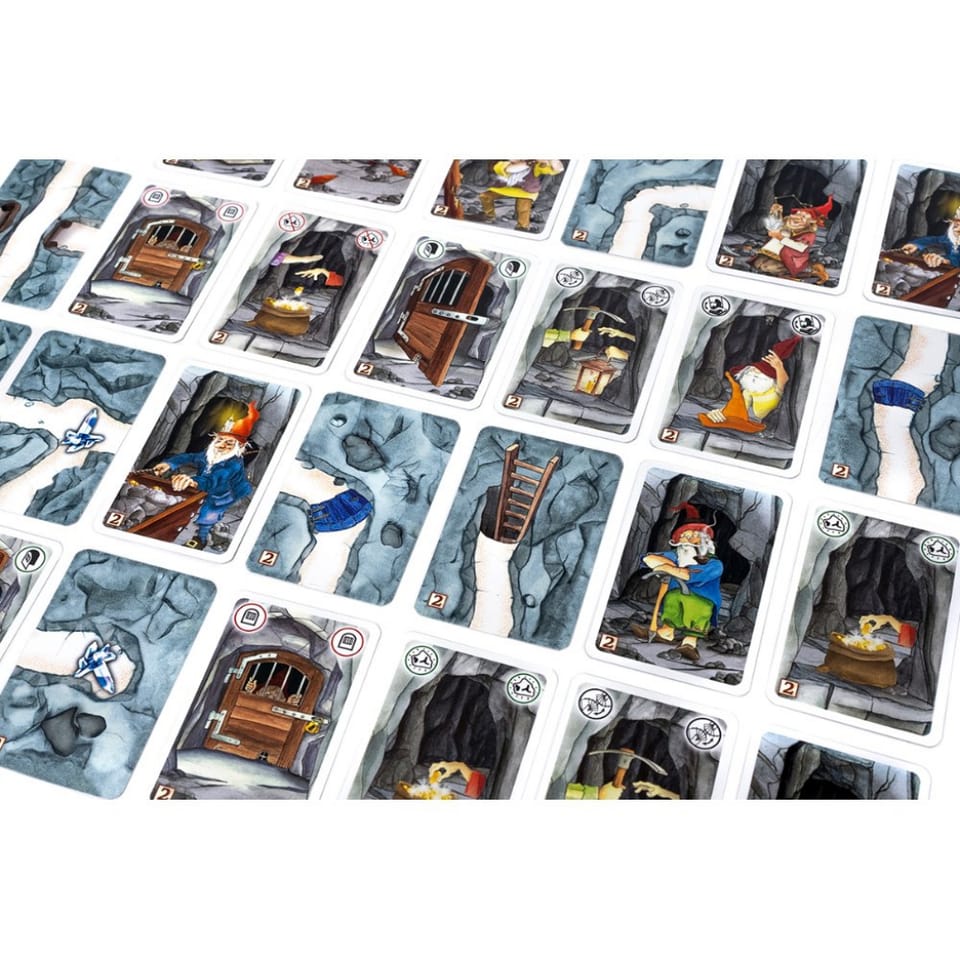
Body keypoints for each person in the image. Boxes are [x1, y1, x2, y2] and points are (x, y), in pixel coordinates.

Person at [151, 402, 258, 550]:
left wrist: (192, 481)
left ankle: (201, 538)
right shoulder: (208, 454)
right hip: (204, 485)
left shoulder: (233, 465)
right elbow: (190, 457)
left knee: (209, 512)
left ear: (238, 447)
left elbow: (213, 480)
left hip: (225, 492)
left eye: (229, 443)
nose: (221, 445)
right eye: (219, 440)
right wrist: (170, 464)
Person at [629, 503, 723, 662]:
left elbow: (688, 575)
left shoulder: (714, 564)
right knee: (672, 602)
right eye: (685, 535)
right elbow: (648, 558)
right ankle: (665, 633)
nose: (688, 539)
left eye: (694, 535)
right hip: (675, 593)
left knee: (697, 609)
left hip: (702, 599)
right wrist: (666, 565)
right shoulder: (677, 556)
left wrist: (667, 568)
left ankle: (690, 643)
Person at [698, 334, 800, 434]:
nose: (755, 374)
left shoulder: (774, 391)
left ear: (771, 379)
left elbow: (783, 380)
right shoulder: (746, 392)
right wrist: (717, 413)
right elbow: (735, 407)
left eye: (761, 373)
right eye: (752, 371)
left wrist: (779, 367)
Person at [751, 197, 832, 284]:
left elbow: (800, 247)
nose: (798, 217)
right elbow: (774, 226)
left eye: (803, 217)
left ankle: (795, 275)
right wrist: (776, 212)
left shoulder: (808, 234)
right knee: (758, 264)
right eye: (798, 213)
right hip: (770, 254)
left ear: (809, 223)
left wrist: (780, 238)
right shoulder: (786, 224)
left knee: (767, 267)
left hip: (789, 260)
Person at [478, 160, 565, 231]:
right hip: (504, 189)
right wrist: (529, 162)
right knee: (485, 196)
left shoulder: (536, 166)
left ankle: (522, 227)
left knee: (523, 208)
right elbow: (510, 169)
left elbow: (558, 169)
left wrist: (551, 159)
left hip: (527, 191)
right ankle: (489, 216)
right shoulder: (502, 164)